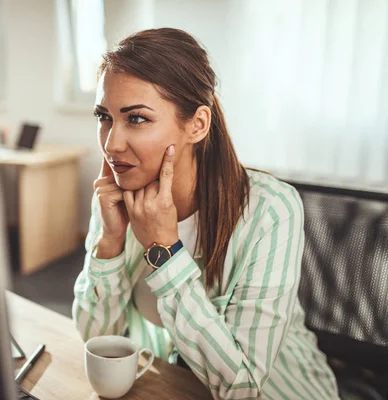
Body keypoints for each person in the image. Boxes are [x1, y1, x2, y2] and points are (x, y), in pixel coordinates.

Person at [72, 28, 339, 400]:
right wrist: (112, 242)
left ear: (197, 124)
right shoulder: (117, 196)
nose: (112, 144)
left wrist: (165, 251)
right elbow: (95, 339)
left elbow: (242, 386)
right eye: (105, 117)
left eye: (136, 119)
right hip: (174, 385)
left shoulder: (269, 210)